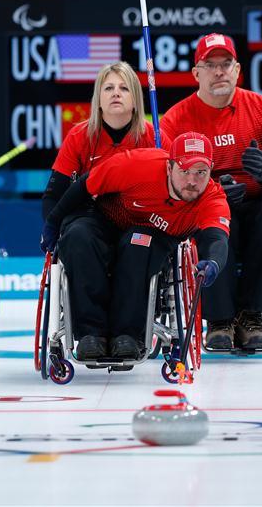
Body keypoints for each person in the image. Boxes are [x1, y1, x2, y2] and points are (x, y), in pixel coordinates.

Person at [159, 33, 262, 352]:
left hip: (255, 207)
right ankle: (219, 320)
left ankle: (252, 317)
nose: (219, 72)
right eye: (210, 65)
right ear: (197, 73)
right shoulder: (177, 119)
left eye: (226, 65)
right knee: (212, 219)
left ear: (237, 70)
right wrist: (212, 189)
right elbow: (165, 181)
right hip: (204, 206)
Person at [40, 132, 230, 361]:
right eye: (184, 171)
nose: (192, 181)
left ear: (210, 171)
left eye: (201, 172)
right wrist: (52, 223)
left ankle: (127, 335)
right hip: (107, 218)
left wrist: (213, 263)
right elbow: (84, 186)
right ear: (169, 168)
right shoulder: (137, 164)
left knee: (139, 243)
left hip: (154, 237)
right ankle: (91, 333)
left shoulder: (212, 197)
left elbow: (217, 237)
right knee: (78, 236)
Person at [41, 61, 169, 221]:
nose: (116, 93)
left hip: (139, 223)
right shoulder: (78, 136)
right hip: (91, 222)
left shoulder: (155, 138)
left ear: (135, 99)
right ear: (98, 99)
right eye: (109, 88)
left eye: (124, 88)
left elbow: (178, 193)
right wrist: (53, 230)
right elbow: (53, 196)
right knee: (77, 234)